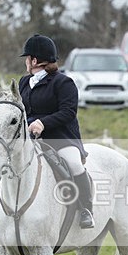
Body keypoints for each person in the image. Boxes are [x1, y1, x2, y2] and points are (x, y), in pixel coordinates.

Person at [20, 34, 94, 229]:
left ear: (34, 61)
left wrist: (43, 123)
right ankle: (4, 211)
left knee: (74, 164)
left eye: (27, 58)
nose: (25, 62)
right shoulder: (24, 82)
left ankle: (86, 209)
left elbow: (68, 112)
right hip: (30, 138)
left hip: (61, 138)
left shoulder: (63, 83)